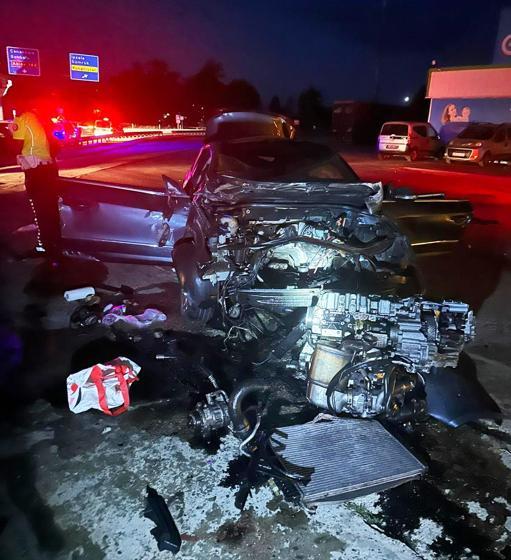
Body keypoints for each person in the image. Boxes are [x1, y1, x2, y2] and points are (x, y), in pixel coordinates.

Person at [9, 108, 61, 260]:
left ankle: (45, 246)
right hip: (49, 167)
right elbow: (55, 145)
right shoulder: (43, 117)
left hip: (35, 169)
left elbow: (15, 145)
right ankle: (55, 245)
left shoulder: (22, 117)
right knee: (51, 210)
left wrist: (10, 132)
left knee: (40, 210)